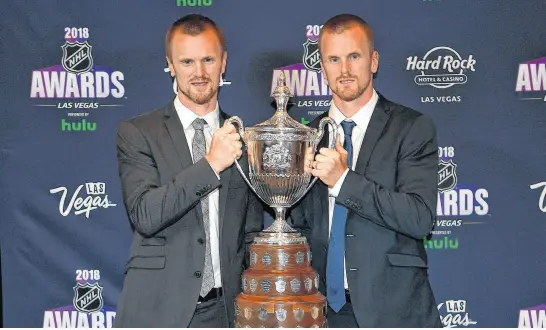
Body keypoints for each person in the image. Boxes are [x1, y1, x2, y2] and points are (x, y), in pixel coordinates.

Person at [290, 13, 442, 327]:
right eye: (333, 59)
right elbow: (302, 226)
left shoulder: (411, 127)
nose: (344, 70)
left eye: (354, 56)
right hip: (323, 312)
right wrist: (295, 187)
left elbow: (419, 218)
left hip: (394, 311)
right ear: (322, 66)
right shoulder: (307, 136)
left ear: (373, 61)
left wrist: (343, 181)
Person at [113, 14, 264, 328]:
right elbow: (145, 214)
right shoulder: (138, 133)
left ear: (223, 62)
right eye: (187, 62)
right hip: (158, 308)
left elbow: (249, 234)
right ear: (170, 64)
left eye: (208, 59)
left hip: (227, 312)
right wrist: (210, 166)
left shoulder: (243, 139)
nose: (199, 72)